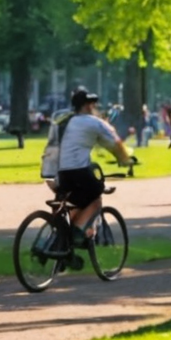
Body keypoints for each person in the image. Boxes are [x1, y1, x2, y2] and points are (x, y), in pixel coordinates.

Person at [48, 88, 134, 241]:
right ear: (87, 106)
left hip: (58, 172)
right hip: (78, 171)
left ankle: (60, 242)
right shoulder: (94, 122)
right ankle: (77, 231)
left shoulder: (64, 121)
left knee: (77, 202)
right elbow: (115, 142)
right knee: (96, 197)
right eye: (93, 105)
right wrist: (126, 159)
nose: (94, 108)